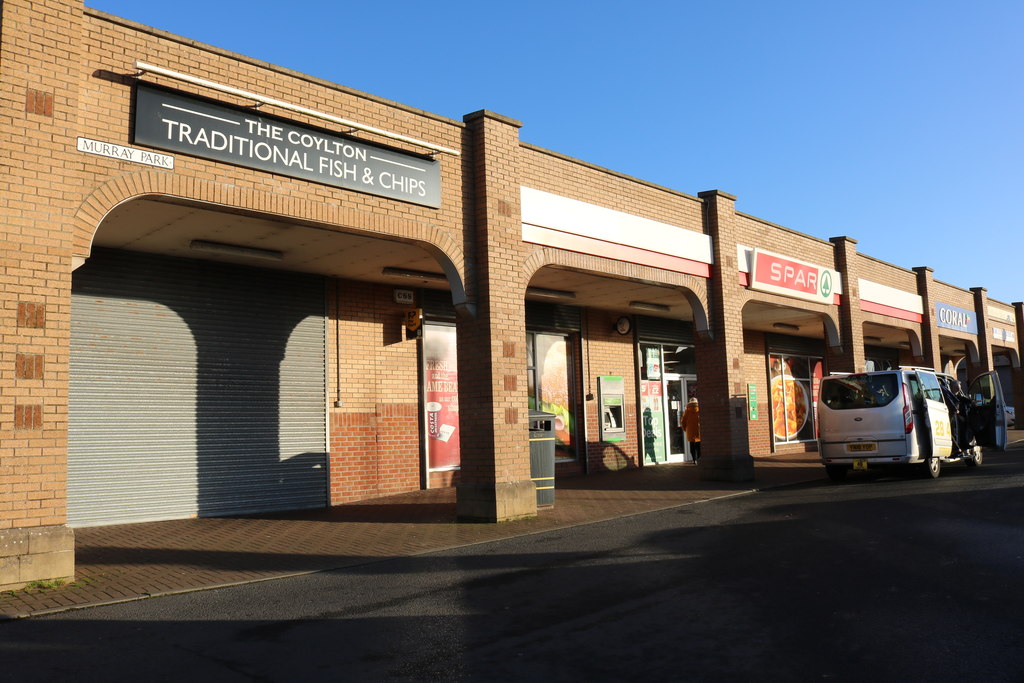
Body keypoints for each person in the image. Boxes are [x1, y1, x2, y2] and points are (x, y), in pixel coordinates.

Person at [681, 397, 701, 464]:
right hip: (699, 430)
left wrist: (685, 429)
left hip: (690, 431)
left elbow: (683, 421)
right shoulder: (700, 409)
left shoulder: (687, 410)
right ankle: (699, 459)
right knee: (699, 446)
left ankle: (694, 459)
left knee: (692, 446)